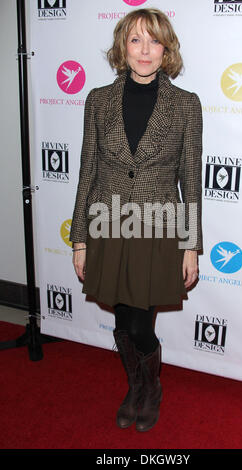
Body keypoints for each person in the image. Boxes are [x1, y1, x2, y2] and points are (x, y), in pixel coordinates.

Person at [69, 8, 203, 433]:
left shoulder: (186, 105)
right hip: (107, 224)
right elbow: (86, 172)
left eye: (154, 41)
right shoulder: (97, 100)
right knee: (122, 320)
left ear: (166, 50)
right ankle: (136, 388)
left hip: (158, 226)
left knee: (139, 322)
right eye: (135, 40)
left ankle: (152, 389)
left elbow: (192, 181)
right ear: (122, 47)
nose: (145, 50)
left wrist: (190, 245)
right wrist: (80, 239)